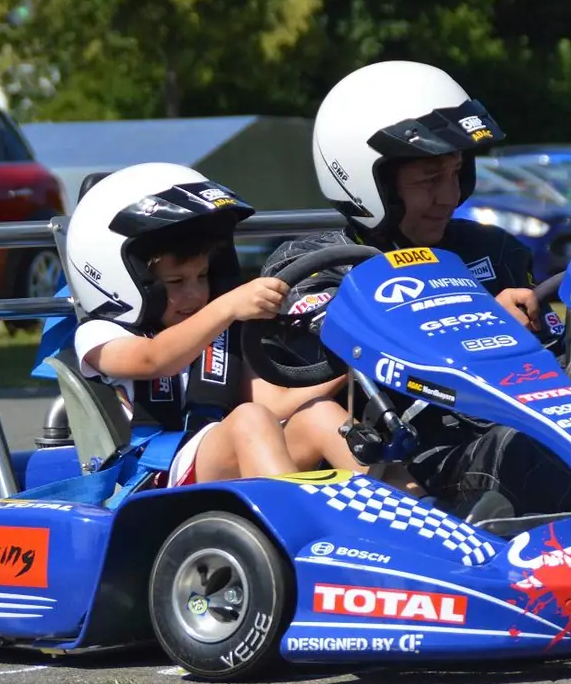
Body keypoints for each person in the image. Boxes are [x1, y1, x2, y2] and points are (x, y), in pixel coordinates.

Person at [260, 61, 571, 521]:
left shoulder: (492, 250)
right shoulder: (315, 268)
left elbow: (558, 353)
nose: (450, 196)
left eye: (458, 174)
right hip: (432, 459)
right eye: (429, 179)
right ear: (368, 183)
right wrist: (477, 322)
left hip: (561, 425)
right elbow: (304, 391)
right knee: (520, 447)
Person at [61, 162, 366, 493]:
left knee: (319, 416)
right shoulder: (100, 334)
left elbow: (276, 402)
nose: (193, 293)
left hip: (223, 454)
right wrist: (228, 306)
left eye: (203, 277)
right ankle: (299, 526)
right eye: (176, 281)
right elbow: (153, 359)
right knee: (249, 419)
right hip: (156, 474)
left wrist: (354, 361)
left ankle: (407, 511)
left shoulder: (220, 331)